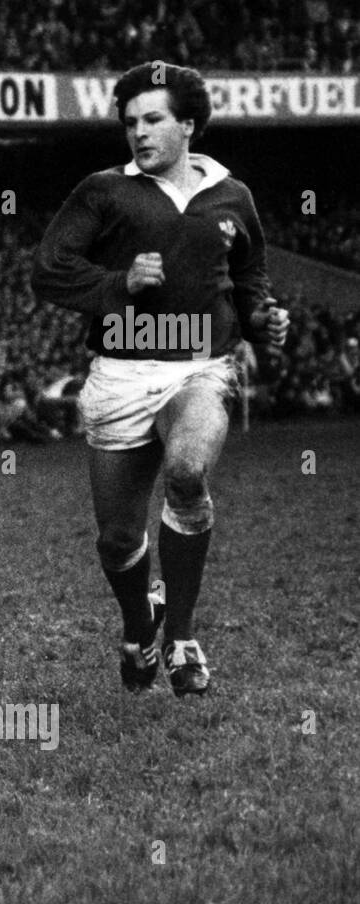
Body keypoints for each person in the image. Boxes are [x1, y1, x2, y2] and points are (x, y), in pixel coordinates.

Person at [32, 62, 289, 697]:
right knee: (118, 538)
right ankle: (137, 622)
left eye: (153, 120)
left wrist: (263, 319)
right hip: (119, 374)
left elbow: (250, 278)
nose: (139, 134)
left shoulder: (234, 196)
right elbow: (48, 271)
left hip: (200, 368)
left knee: (186, 471)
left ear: (188, 125)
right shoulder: (103, 191)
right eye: (130, 123)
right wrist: (119, 285)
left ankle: (181, 634)